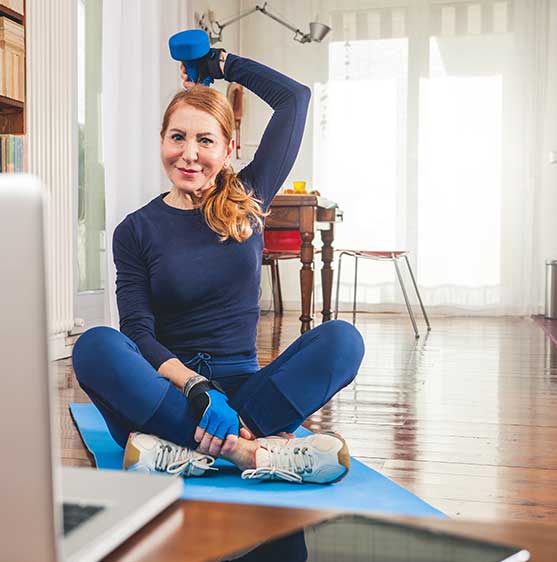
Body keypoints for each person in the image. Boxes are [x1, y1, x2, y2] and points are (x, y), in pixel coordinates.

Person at [71, 48, 365, 484]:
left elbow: (295, 98)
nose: (189, 154)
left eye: (205, 140)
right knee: (94, 346)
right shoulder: (135, 230)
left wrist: (220, 63)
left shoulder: (250, 197)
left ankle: (178, 450)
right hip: (169, 391)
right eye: (177, 137)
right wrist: (196, 387)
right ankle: (253, 451)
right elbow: (137, 332)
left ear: (229, 149)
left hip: (247, 394)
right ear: (162, 140)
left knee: (343, 341)